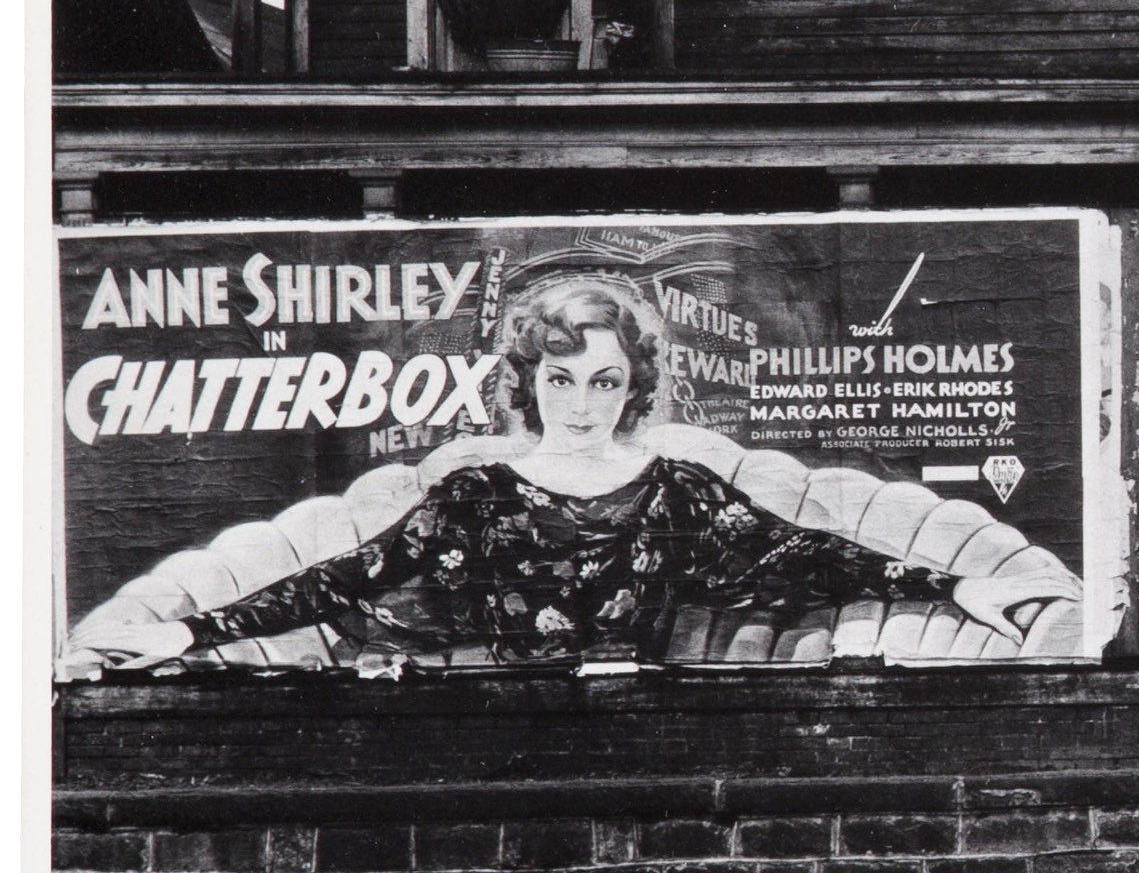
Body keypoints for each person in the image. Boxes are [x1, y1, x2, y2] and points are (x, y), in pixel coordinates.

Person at [75, 277, 1040, 670]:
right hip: (504, 734)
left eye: (607, 379)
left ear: (635, 388)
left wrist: (960, 583)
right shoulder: (474, 496)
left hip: (643, 738)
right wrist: (192, 629)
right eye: (563, 376)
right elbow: (342, 578)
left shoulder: (677, 489)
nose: (583, 400)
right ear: (529, 382)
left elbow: (811, 555)